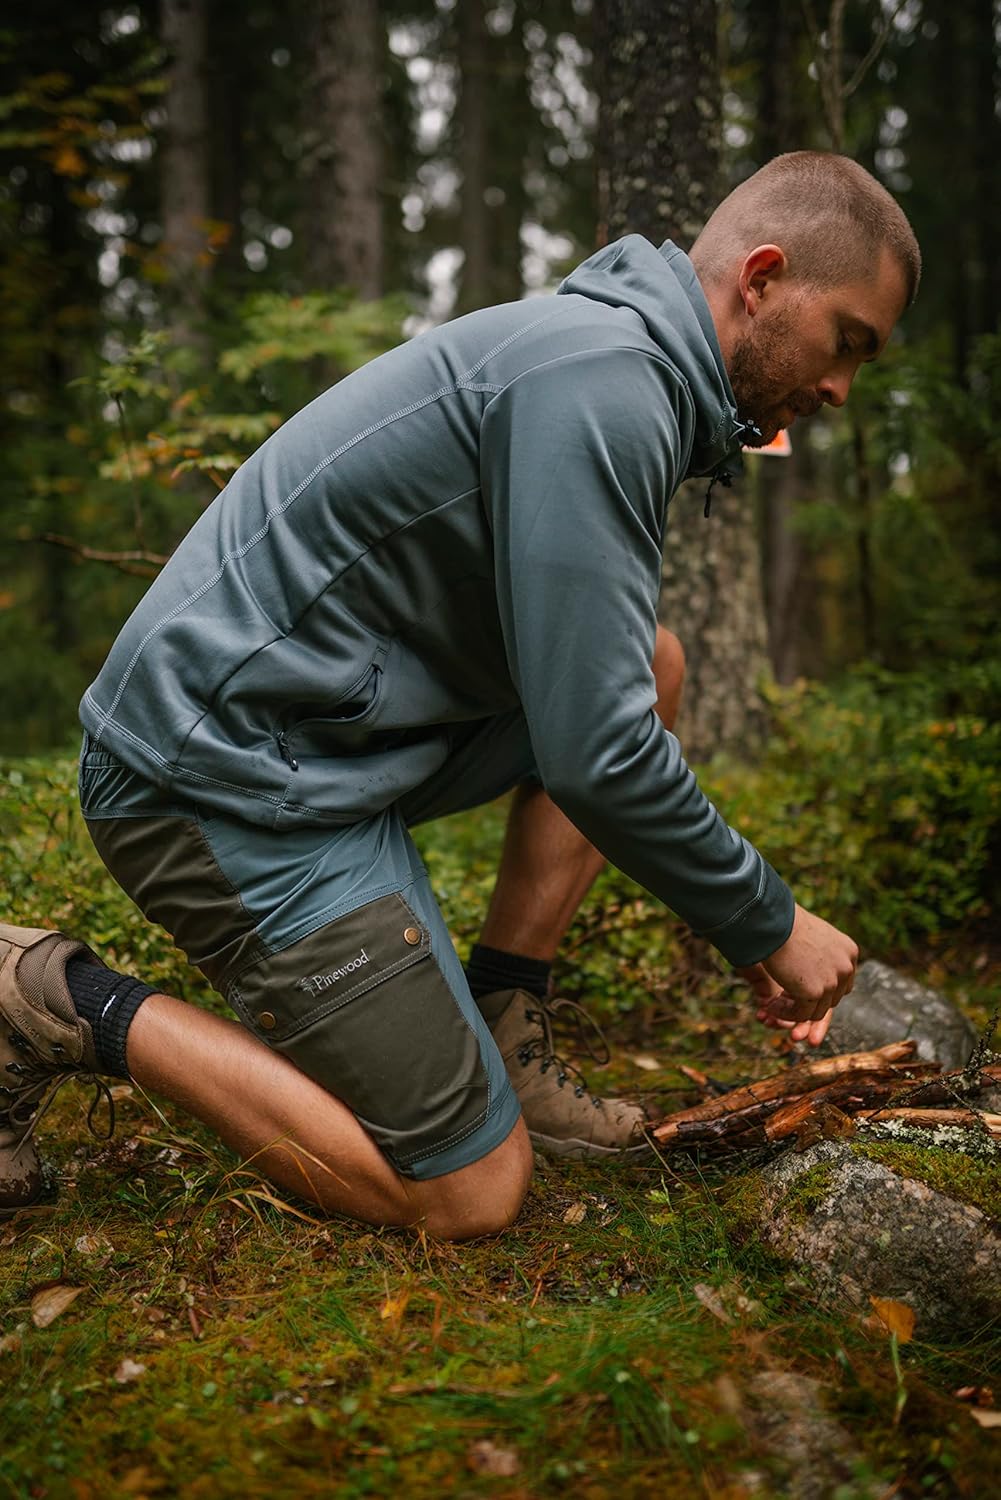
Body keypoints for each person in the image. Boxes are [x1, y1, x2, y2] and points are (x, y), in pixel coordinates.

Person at [0, 152, 920, 1239]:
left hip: (320, 742)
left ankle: (502, 1019)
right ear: (761, 279)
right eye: (846, 342)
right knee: (469, 1192)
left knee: (652, 661)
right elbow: (597, 755)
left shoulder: (623, 368)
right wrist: (767, 922)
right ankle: (47, 997)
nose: (838, 389)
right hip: (210, 779)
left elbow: (595, 694)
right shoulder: (604, 382)